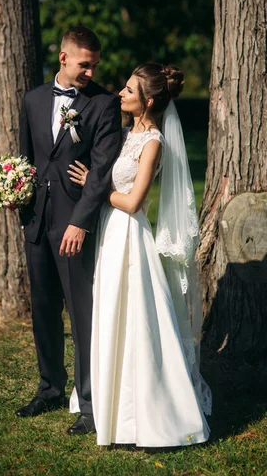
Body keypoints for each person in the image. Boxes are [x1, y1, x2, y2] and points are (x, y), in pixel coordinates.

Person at [69, 63, 212, 446]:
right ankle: (110, 403)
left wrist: (95, 189)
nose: (120, 93)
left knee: (135, 319)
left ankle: (148, 411)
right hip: (109, 234)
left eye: (129, 90)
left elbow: (133, 202)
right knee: (110, 312)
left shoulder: (153, 144)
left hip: (130, 236)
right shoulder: (123, 135)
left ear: (148, 101)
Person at [17, 26, 122, 435]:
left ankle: (91, 404)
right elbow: (28, 157)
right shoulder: (33, 99)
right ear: (63, 58)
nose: (90, 71)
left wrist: (80, 221)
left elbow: (101, 172)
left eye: (94, 65)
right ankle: (49, 389)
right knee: (43, 310)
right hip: (37, 222)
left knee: (82, 315)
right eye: (84, 64)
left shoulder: (103, 105)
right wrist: (17, 195)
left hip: (74, 224)